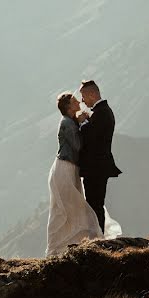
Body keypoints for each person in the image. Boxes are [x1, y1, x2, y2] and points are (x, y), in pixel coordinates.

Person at [45, 91, 120, 256]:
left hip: (71, 169)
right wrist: (83, 123)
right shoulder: (67, 123)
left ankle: (74, 243)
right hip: (64, 169)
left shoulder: (70, 121)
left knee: (72, 208)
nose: (79, 102)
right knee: (64, 209)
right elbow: (78, 146)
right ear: (70, 106)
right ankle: (57, 248)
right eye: (75, 100)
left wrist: (81, 122)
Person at [78, 79, 122, 233]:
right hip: (97, 167)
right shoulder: (102, 112)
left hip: (95, 168)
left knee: (94, 205)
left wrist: (81, 122)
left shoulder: (101, 113)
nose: (82, 101)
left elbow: (89, 136)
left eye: (83, 96)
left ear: (92, 94)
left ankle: (97, 236)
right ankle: (97, 235)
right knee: (95, 204)